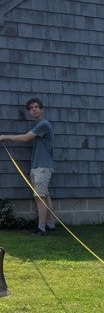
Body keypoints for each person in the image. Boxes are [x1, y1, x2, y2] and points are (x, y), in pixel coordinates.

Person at [0, 97, 56, 235]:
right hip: (39, 166)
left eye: (36, 107)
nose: (33, 110)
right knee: (44, 196)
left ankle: (41, 228)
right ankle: (50, 224)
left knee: (39, 197)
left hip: (42, 167)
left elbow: (25, 138)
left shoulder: (44, 124)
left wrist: (5, 137)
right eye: (31, 108)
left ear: (41, 109)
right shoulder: (39, 125)